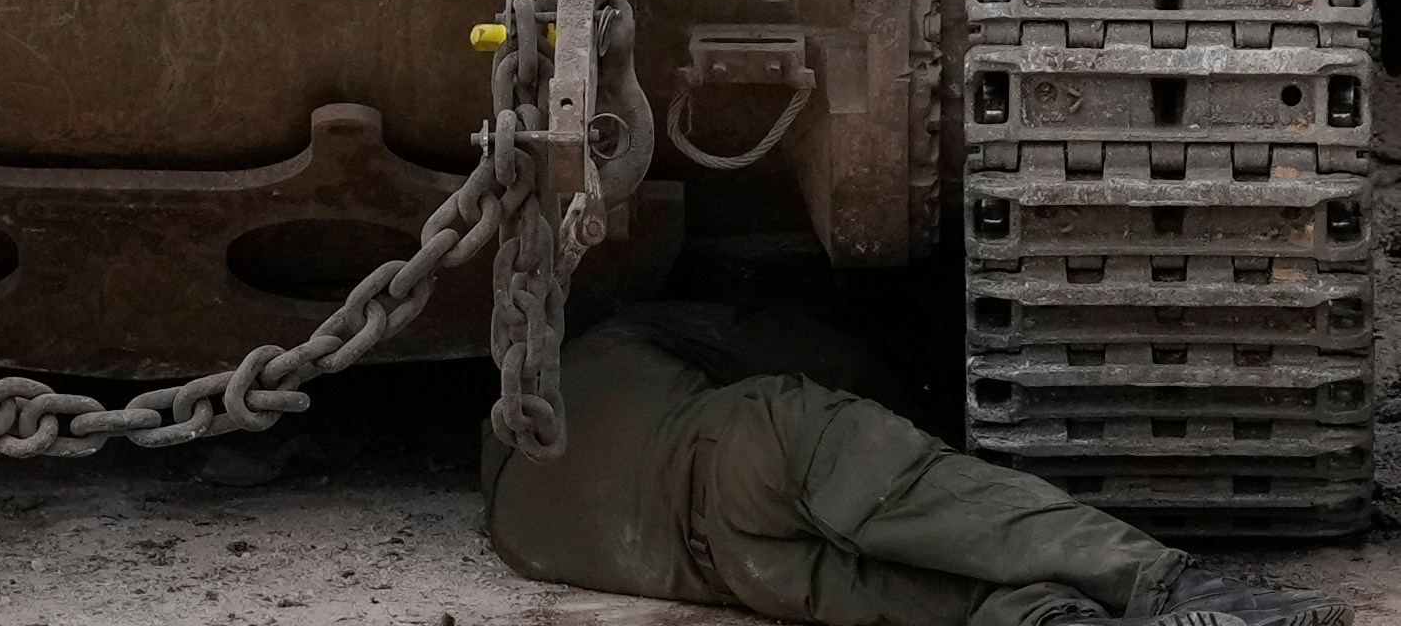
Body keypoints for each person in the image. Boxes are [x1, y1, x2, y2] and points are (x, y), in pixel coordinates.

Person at [484, 302, 1353, 626]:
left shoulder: (514, 512)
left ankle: (1052, 620)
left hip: (718, 567)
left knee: (928, 593)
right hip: (746, 451)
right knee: (934, 505)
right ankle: (1171, 587)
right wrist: (916, 421)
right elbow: (795, 346)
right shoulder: (609, 338)